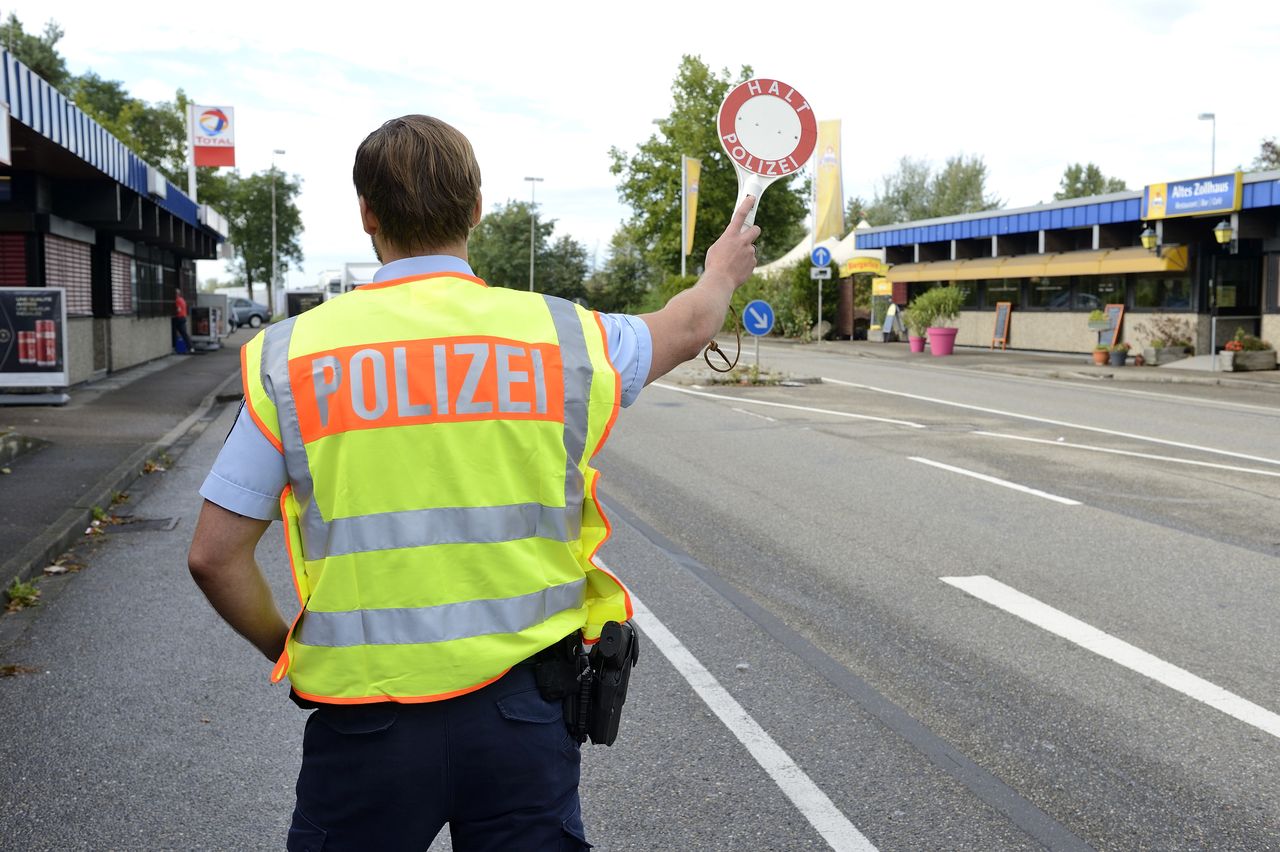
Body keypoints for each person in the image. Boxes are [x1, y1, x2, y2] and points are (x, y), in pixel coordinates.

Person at [187, 114, 760, 851]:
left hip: (366, 723)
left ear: (366, 214)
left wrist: (288, 650)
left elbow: (213, 554)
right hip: (524, 719)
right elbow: (686, 327)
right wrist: (721, 272)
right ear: (478, 208)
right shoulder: (563, 337)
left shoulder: (291, 356)